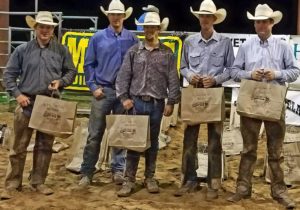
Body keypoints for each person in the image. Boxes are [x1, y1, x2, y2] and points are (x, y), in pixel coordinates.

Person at [227, 4, 300, 209]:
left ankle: (279, 191)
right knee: (248, 148)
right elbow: (234, 71)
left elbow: (294, 71)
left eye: (264, 21)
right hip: (252, 100)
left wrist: (276, 74)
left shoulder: (283, 46)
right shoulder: (246, 46)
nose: (261, 25)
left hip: (274, 102)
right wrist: (249, 74)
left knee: (275, 150)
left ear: (271, 23)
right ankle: (243, 188)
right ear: (255, 23)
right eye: (258, 21)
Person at [1, 11, 77, 199]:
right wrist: (17, 95)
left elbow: (71, 71)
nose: (45, 30)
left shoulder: (61, 50)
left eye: (49, 27)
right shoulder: (22, 50)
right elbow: (8, 75)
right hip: (27, 102)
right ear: (35, 28)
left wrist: (60, 82)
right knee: (18, 146)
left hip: (50, 104)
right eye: (42, 26)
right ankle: (13, 182)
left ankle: (38, 182)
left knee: (44, 146)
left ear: (53, 29)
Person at [115, 8, 180, 197]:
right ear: (143, 29)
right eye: (147, 27)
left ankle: (149, 176)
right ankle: (129, 179)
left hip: (156, 104)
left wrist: (171, 102)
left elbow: (173, 79)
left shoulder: (167, 53)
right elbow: (123, 77)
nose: (149, 30)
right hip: (136, 102)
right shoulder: (134, 52)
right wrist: (124, 98)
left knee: (152, 142)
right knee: (134, 142)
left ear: (159, 29)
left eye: (153, 27)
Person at [174, 0, 234, 200]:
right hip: (194, 91)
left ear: (214, 19)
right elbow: (183, 67)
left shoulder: (225, 42)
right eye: (202, 16)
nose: (205, 19)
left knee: (215, 140)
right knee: (189, 138)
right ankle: (189, 179)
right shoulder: (190, 41)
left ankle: (213, 182)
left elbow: (231, 70)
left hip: (215, 92)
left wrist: (215, 79)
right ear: (199, 18)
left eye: (208, 16)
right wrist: (191, 76)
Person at [79, 0, 138, 187]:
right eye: (113, 14)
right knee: (94, 133)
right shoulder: (97, 38)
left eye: (119, 14)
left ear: (123, 16)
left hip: (123, 93)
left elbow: (136, 66)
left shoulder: (132, 39)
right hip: (103, 90)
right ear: (108, 16)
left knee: (120, 132)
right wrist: (93, 86)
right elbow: (89, 64)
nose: (116, 17)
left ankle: (118, 170)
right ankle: (87, 171)